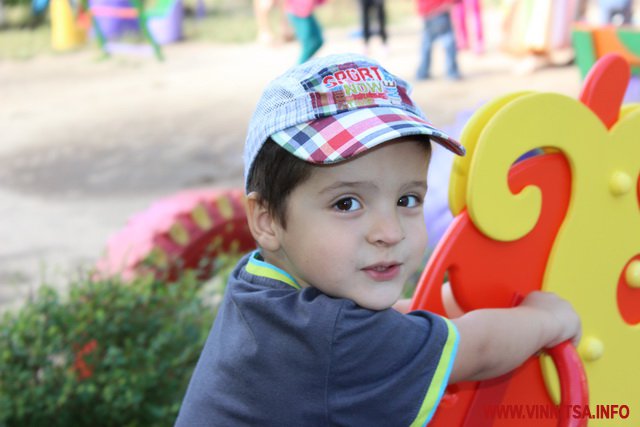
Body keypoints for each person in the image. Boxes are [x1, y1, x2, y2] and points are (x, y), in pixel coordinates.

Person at [175, 53, 581, 426]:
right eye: (347, 203)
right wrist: (546, 321)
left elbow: (368, 330)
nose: (390, 232)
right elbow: (479, 351)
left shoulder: (260, 285)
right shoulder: (333, 341)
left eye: (407, 199)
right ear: (266, 219)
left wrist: (450, 303)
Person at [416, 0, 462, 80]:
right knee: (448, 43)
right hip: (441, 11)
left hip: (427, 12)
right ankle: (452, 72)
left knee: (426, 45)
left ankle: (422, 72)